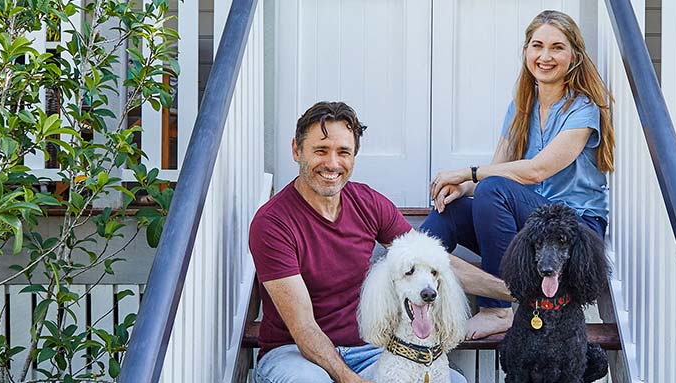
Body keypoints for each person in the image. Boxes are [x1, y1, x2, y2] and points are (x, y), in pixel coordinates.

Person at [249, 101, 511, 383]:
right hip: (295, 355)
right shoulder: (273, 223)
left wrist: (516, 292)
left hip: (367, 351)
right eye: (321, 151)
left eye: (343, 152)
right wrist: (351, 380)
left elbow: (435, 263)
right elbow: (304, 329)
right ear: (296, 150)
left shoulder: (367, 203)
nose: (333, 163)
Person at [420, 9, 616, 340]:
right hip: (532, 222)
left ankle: (497, 309)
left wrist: (468, 173)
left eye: (557, 47)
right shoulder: (522, 104)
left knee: (493, 189)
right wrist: (464, 185)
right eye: (537, 45)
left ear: (574, 56)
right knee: (451, 210)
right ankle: (407, 296)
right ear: (526, 51)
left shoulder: (583, 109)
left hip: (574, 228)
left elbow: (536, 170)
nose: (545, 56)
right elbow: (498, 167)